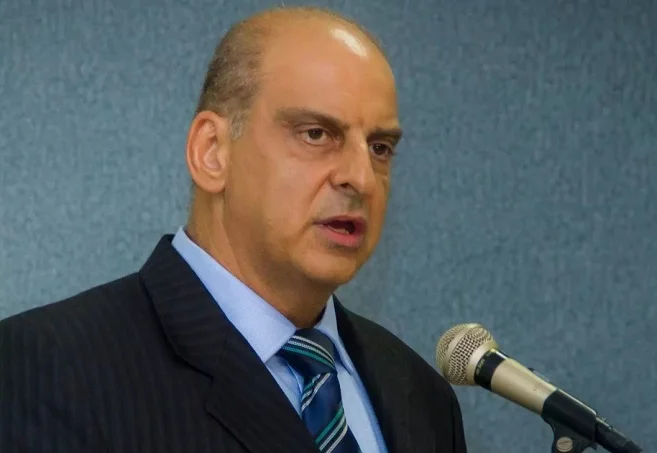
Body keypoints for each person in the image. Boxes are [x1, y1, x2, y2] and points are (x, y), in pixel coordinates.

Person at [0, 6, 467, 453]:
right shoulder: (47, 369)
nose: (361, 179)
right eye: (316, 134)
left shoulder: (422, 397)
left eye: (380, 148)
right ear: (212, 152)